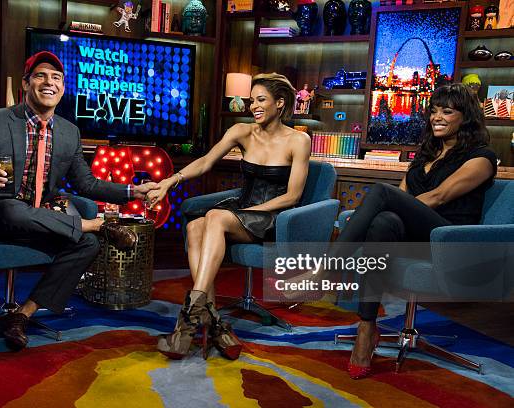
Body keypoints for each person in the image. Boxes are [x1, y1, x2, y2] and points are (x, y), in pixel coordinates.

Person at [0, 51, 158, 350]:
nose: (49, 82)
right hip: (0, 215)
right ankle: (97, 225)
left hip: (45, 217)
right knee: (13, 208)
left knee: (87, 244)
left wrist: (132, 192)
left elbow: (86, 183)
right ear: (25, 83)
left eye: (57, 78)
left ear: (62, 87)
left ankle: (22, 316)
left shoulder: (70, 132)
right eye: (41, 75)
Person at [332, 83, 497, 379]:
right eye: (434, 111)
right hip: (414, 237)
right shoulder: (425, 154)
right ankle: (367, 327)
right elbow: (403, 196)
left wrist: (394, 203)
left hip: (449, 240)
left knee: (383, 194)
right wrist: (390, 209)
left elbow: (438, 198)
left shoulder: (482, 159)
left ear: (466, 117)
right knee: (383, 222)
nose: (437, 117)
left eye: (447, 111)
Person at [146, 73, 311, 360]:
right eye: (251, 101)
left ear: (280, 103)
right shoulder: (242, 132)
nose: (253, 106)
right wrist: (170, 181)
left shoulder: (299, 140)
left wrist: (246, 212)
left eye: (261, 100)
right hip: (240, 209)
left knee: (216, 217)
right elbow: (206, 162)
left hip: (271, 215)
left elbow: (292, 197)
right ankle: (212, 320)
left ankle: (189, 318)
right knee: (197, 226)